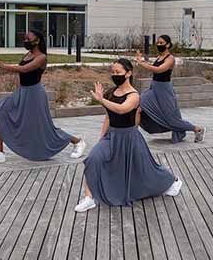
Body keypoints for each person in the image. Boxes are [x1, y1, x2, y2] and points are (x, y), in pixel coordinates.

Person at [74, 58, 182, 212]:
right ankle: (89, 198)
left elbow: (122, 109)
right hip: (112, 136)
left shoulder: (134, 95)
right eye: (112, 72)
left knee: (146, 170)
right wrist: (101, 138)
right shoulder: (111, 92)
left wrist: (102, 100)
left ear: (128, 73)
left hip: (129, 138)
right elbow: (108, 117)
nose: (114, 75)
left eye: (118, 72)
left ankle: (172, 181)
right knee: (93, 159)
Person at [0, 30, 86, 165]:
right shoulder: (28, 54)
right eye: (25, 38)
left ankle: (78, 142)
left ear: (37, 40)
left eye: (28, 38)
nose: (25, 40)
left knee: (45, 128)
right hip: (22, 92)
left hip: (35, 95)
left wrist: (2, 65)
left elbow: (25, 69)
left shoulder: (41, 57)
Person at [134, 35, 206, 143]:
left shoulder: (170, 59)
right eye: (157, 43)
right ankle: (133, 136)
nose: (158, 45)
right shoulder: (159, 57)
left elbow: (158, 70)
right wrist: (140, 59)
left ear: (167, 44)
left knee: (171, 120)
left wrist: (141, 63)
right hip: (153, 89)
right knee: (138, 107)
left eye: (161, 43)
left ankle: (197, 129)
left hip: (164, 90)